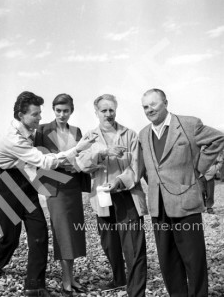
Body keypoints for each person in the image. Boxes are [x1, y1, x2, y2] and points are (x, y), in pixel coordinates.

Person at [0, 91, 95, 297]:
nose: (40, 118)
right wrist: (77, 148)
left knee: (39, 231)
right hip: (1, 180)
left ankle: (34, 285)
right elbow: (45, 162)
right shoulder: (13, 137)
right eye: (35, 114)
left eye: (39, 113)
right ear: (21, 115)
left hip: (21, 177)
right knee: (11, 233)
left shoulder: (31, 131)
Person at [139, 88, 224, 297]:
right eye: (145, 107)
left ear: (165, 103)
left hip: (186, 202)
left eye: (153, 104)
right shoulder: (143, 133)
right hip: (158, 206)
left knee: (193, 259)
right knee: (167, 260)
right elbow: (146, 170)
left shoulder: (189, 124)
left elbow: (218, 139)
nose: (149, 110)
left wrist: (198, 168)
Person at [76, 94, 148, 297]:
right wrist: (104, 152)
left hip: (127, 195)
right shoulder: (90, 137)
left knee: (133, 245)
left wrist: (119, 182)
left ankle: (136, 291)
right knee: (109, 243)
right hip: (101, 196)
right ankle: (119, 278)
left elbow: (136, 167)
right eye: (103, 110)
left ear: (116, 110)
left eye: (111, 110)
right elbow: (81, 165)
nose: (108, 114)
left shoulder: (130, 135)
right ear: (96, 112)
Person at [34, 94, 90, 296]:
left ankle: (71, 277)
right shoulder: (42, 130)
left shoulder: (77, 131)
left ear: (71, 111)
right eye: (58, 110)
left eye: (66, 110)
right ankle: (66, 279)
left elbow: (82, 157)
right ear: (53, 110)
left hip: (73, 186)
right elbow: (37, 159)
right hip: (55, 188)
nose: (62, 114)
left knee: (73, 232)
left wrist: (78, 166)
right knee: (62, 232)